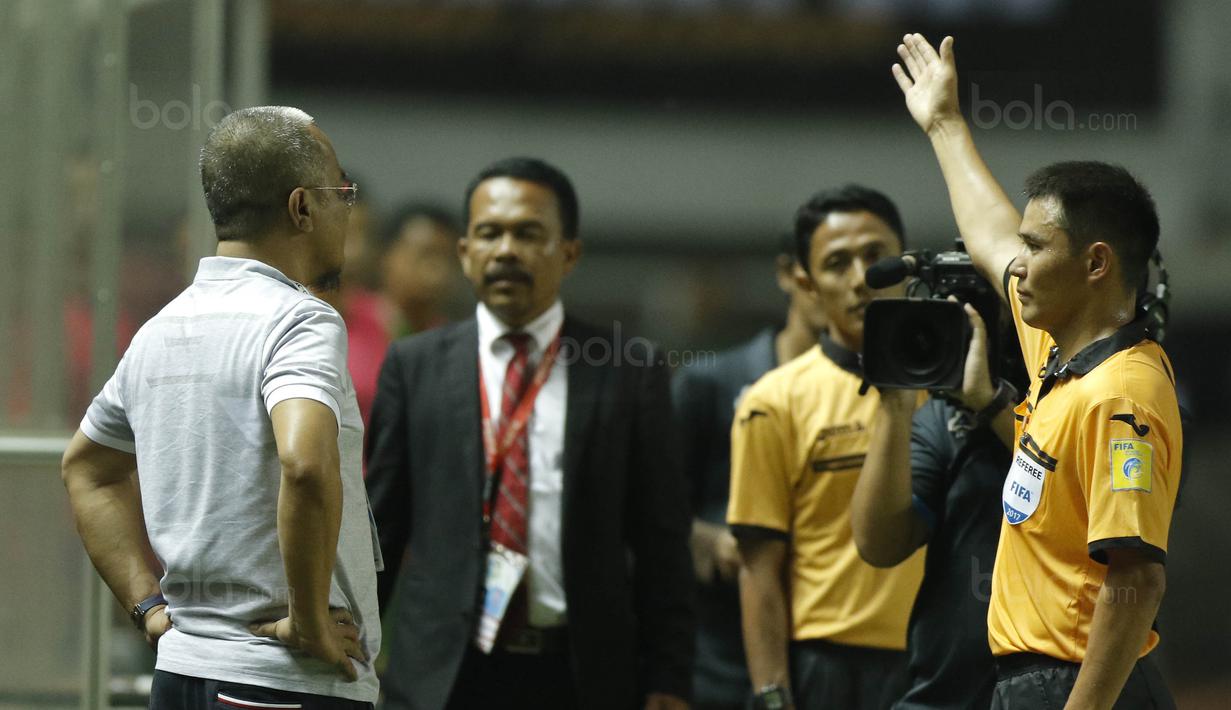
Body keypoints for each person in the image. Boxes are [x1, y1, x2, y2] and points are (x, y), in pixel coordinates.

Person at [893, 33, 1181, 708]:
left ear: (1095, 263)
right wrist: (944, 124)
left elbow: (1136, 580)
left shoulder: (1120, 395)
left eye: (1035, 246)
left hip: (1077, 685)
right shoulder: (1059, 353)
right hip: (1036, 682)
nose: (1014, 265)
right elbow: (989, 236)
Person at [60, 106, 381, 708]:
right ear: (302, 207)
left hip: (180, 671)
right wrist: (309, 620)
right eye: (341, 193)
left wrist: (148, 608)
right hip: (283, 680)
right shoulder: (301, 322)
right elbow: (305, 465)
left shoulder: (161, 328)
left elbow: (87, 469)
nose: (347, 210)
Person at [365, 157, 694, 710]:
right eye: (489, 233)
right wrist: (351, 658)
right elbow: (382, 529)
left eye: (528, 234)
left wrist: (670, 677)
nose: (506, 251)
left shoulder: (628, 370)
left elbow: (662, 541)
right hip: (440, 680)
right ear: (465, 252)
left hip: (580, 676)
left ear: (570, 253)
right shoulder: (415, 366)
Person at [728, 185, 926, 710]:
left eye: (876, 256)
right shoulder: (774, 401)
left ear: (906, 264)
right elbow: (758, 569)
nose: (861, 278)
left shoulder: (959, 385)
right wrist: (772, 694)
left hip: (942, 658)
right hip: (828, 667)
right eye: (837, 263)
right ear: (807, 284)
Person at [672, 233, 827, 710]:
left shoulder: (882, 393)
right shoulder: (712, 382)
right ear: (790, 274)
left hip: (825, 644)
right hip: (721, 654)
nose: (848, 283)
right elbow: (651, 508)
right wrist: (709, 539)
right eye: (830, 265)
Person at [850, 298, 1021, 709]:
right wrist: (896, 404)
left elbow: (1082, 493)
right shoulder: (945, 416)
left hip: (1059, 689)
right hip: (948, 693)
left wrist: (992, 404)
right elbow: (881, 544)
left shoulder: (1100, 390)